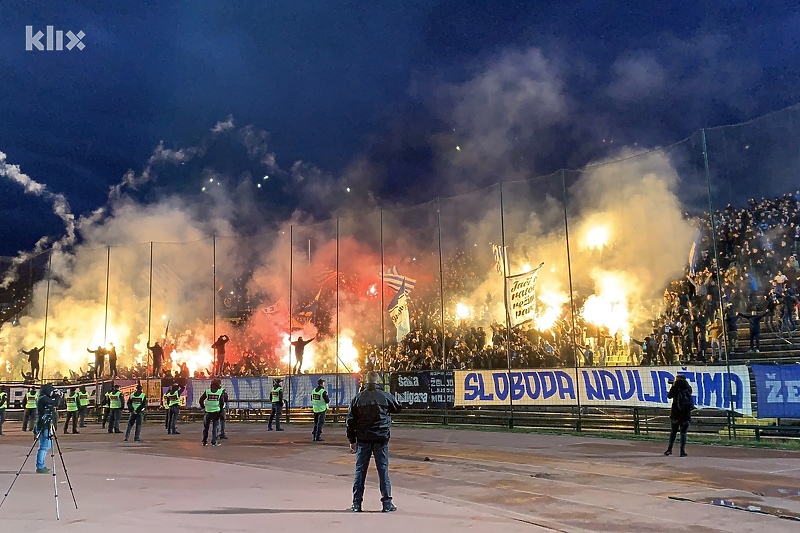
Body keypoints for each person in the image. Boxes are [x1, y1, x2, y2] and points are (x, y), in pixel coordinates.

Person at [345, 371, 401, 512]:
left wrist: (352, 440)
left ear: (365, 381)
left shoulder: (358, 398)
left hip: (363, 439)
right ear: (378, 381)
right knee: (383, 471)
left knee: (360, 472)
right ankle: (387, 503)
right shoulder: (384, 396)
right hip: (381, 438)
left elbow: (350, 421)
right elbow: (398, 407)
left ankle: (357, 503)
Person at [664, 374, 694, 457]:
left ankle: (669, 449)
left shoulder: (674, 388)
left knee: (673, 432)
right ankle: (682, 451)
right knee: (683, 433)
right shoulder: (688, 388)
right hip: (685, 413)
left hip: (675, 413)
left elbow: (669, 396)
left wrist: (673, 386)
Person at [34, 383, 61, 474]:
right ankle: (40, 466)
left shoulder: (42, 398)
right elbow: (55, 403)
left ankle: (40, 465)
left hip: (44, 424)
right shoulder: (44, 399)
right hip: (45, 425)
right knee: (44, 447)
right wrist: (57, 396)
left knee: (45, 446)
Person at [199, 379, 225, 446]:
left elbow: (201, 400)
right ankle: (214, 442)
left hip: (208, 411)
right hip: (216, 411)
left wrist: (203, 407)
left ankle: (204, 441)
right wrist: (221, 411)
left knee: (206, 427)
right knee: (215, 427)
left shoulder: (207, 391)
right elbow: (221, 402)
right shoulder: (219, 392)